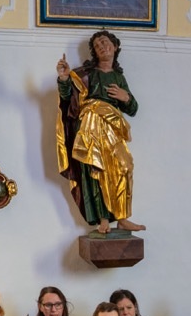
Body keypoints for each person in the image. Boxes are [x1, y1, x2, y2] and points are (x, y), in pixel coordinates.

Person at [55, 30, 144, 234]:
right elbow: (68, 99)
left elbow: (133, 109)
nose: (101, 47)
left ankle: (122, 217)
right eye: (97, 46)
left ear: (115, 46)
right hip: (90, 126)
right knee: (95, 170)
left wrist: (126, 98)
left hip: (112, 127)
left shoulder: (118, 77)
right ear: (94, 52)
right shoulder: (86, 74)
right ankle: (103, 219)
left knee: (124, 166)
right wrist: (64, 79)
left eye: (104, 42)